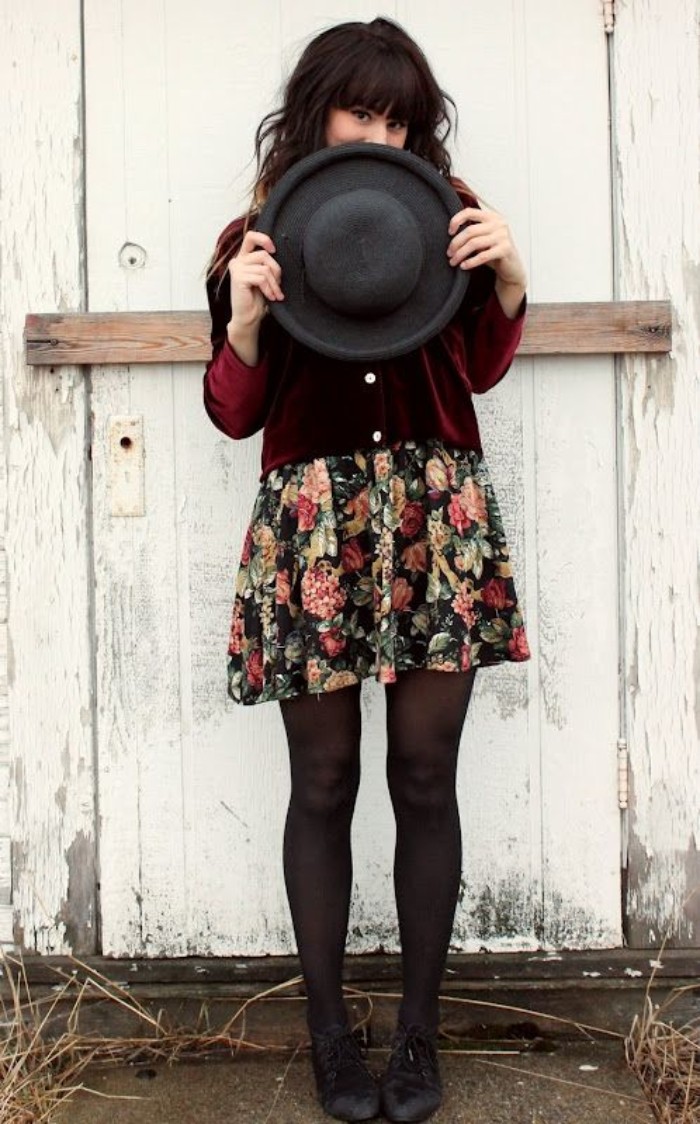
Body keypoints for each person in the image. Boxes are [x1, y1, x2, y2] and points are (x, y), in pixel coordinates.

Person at [204, 16, 529, 1124]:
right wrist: (246, 317)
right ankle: (332, 1038)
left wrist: (512, 278)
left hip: (436, 511)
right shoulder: (258, 234)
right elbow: (232, 410)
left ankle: (419, 1039)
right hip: (314, 519)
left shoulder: (445, 214)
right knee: (326, 782)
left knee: (425, 776)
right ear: (317, 112)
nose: (381, 131)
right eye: (361, 110)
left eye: (398, 114)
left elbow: (477, 364)